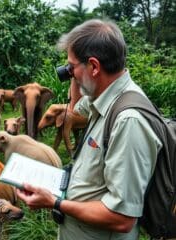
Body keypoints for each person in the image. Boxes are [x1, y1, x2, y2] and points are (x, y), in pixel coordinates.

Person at [16, 19, 162, 240]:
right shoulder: (106, 95)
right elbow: (76, 109)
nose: (69, 72)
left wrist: (55, 202)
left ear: (94, 67)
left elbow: (121, 218)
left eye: (72, 66)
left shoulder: (129, 121)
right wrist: (75, 74)